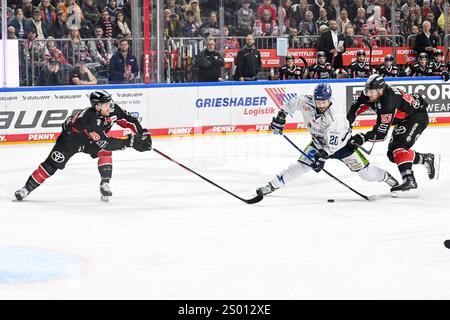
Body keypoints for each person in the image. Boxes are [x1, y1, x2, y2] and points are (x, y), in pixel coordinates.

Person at [256, 83, 399, 197]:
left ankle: (387, 177)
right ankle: (272, 185)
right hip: (319, 144)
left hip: (343, 146)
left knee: (366, 173)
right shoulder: (307, 102)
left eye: (324, 101)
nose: (321, 105)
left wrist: (321, 158)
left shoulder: (335, 115)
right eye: (318, 101)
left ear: (330, 99)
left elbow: (332, 146)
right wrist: (281, 116)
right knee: (300, 166)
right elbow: (292, 102)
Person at [14, 90, 152, 202]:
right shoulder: (89, 119)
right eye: (106, 104)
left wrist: (142, 133)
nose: (110, 106)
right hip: (70, 140)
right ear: (97, 106)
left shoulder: (113, 109)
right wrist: (130, 142)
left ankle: (104, 183)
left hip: (90, 141)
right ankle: (26, 189)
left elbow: (130, 120)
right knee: (51, 165)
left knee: (104, 152)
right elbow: (106, 142)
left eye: (110, 103)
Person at [347, 74, 438, 195]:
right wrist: (347, 125)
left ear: (380, 90)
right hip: (403, 119)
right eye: (367, 90)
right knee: (392, 154)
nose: (368, 94)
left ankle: (409, 179)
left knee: (398, 147)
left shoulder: (388, 103)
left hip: (416, 116)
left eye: (371, 91)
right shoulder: (371, 93)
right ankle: (425, 159)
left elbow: (380, 133)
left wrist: (362, 138)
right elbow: (356, 106)